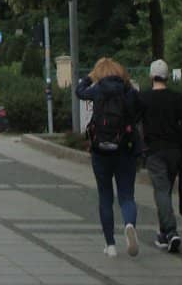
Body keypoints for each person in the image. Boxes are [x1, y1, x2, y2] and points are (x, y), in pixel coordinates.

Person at [76, 57, 143, 259]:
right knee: (127, 196)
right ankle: (129, 224)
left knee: (105, 197)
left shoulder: (97, 90)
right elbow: (138, 114)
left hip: (100, 151)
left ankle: (110, 245)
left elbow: (79, 92)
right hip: (125, 150)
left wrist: (88, 78)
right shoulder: (128, 91)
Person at [137, 59, 182, 253]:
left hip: (154, 151)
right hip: (174, 151)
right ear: (167, 77)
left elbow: (136, 123)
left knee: (161, 191)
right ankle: (163, 235)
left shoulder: (143, 98)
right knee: (166, 190)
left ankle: (171, 232)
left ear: (151, 76)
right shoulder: (176, 98)